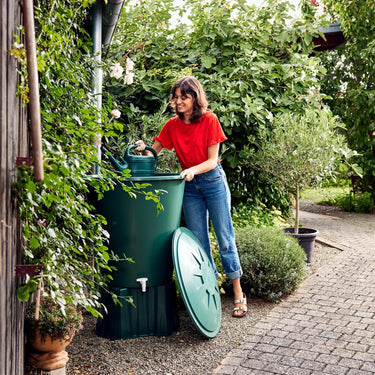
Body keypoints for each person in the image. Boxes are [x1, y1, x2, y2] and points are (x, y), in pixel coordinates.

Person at [135, 76, 247, 318]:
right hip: (190, 187)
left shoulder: (210, 119)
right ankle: (209, 295)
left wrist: (191, 170)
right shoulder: (171, 125)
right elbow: (153, 155)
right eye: (175, 97)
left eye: (183, 97)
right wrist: (144, 149)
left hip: (212, 181)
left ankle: (238, 293)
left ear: (195, 98)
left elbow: (211, 160)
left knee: (225, 238)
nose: (178, 101)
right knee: (199, 243)